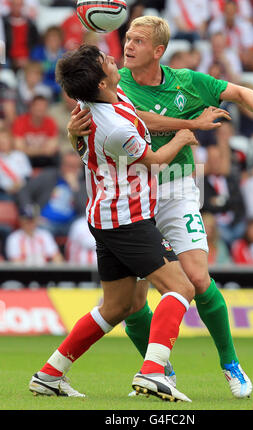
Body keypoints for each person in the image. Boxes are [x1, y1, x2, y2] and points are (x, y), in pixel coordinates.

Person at [69, 16, 253, 399]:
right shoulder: (111, 84)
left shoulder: (187, 81)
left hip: (178, 187)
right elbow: (140, 121)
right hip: (132, 194)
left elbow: (242, 92)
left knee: (199, 280)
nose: (128, 46)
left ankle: (230, 364)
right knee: (133, 302)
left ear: (158, 51)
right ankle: (161, 369)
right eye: (128, 38)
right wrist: (195, 124)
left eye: (138, 40)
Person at [29, 44, 196, 402]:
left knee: (117, 307)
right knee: (181, 288)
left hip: (106, 215)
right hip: (128, 219)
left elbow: (82, 136)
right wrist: (183, 136)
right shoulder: (115, 128)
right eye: (106, 61)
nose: (113, 59)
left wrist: (72, 135)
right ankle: (153, 373)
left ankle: (49, 374)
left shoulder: (94, 102)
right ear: (103, 82)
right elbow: (153, 161)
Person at [17, 151, 86, 238]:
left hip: (69, 225)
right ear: (61, 165)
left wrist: (75, 188)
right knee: (43, 230)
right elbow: (25, 191)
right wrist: (32, 213)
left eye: (74, 167)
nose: (70, 169)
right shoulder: (48, 176)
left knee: (84, 230)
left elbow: (84, 211)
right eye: (67, 165)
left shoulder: (83, 185)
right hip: (45, 222)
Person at [12, 94, 59, 169]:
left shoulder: (50, 122)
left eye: (44, 106)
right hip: (26, 159)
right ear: (31, 107)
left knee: (57, 157)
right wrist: (42, 150)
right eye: (38, 106)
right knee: (18, 157)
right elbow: (19, 148)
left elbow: (51, 149)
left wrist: (28, 149)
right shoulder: (20, 122)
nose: (41, 108)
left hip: (45, 160)